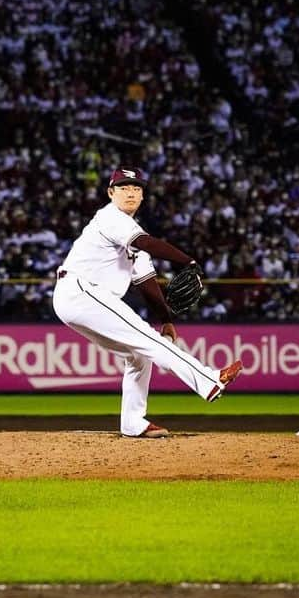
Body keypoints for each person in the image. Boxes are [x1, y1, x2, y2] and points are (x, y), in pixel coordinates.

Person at [53, 166, 243, 439]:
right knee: (147, 339)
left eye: (136, 188)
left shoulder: (132, 233)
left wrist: (165, 319)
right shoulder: (110, 217)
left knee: (139, 355)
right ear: (110, 193)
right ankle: (209, 380)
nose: (131, 193)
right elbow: (148, 242)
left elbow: (146, 282)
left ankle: (133, 423)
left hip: (82, 300)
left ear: (142, 196)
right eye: (124, 188)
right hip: (81, 290)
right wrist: (187, 260)